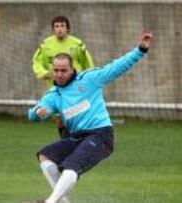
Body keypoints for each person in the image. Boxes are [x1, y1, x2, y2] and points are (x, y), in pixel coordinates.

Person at [27, 30, 153, 203]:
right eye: (55, 70)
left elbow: (116, 67)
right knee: (45, 156)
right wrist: (38, 112)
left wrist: (140, 49)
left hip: (101, 135)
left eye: (63, 70)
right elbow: (35, 112)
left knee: (71, 166)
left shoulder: (89, 79)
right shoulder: (54, 93)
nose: (59, 74)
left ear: (73, 69)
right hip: (76, 137)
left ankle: (50, 202)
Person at [32, 15, 94, 138]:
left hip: (75, 85)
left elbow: (87, 62)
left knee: (75, 113)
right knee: (60, 116)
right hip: (56, 87)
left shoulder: (77, 44)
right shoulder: (46, 45)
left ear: (67, 28)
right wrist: (42, 73)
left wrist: (89, 78)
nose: (59, 29)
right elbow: (37, 61)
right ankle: (65, 137)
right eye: (56, 26)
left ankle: (76, 135)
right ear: (53, 29)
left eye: (62, 26)